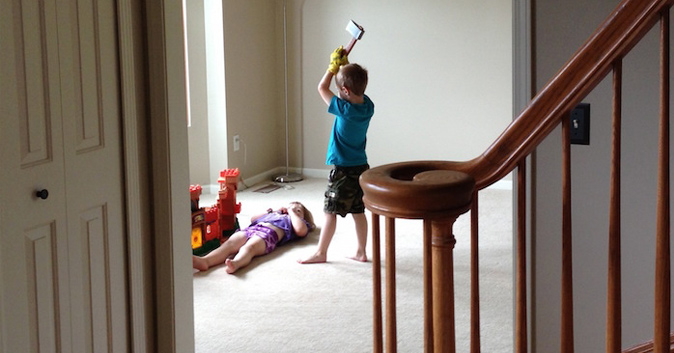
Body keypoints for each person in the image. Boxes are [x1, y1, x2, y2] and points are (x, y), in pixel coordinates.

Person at [299, 46, 374, 264]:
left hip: (343, 170)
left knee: (330, 211)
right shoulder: (368, 106)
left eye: (340, 89)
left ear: (345, 92)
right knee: (358, 211)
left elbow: (321, 87)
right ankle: (361, 251)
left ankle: (321, 252)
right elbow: (352, 87)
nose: (338, 92)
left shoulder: (344, 109)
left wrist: (332, 68)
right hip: (361, 168)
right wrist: (344, 67)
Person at [193, 202, 314, 274]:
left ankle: (236, 263)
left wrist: (293, 213)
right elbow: (253, 219)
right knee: (229, 244)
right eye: (289, 207)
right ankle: (206, 261)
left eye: (298, 210)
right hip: (250, 229)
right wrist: (273, 211)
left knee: (249, 248)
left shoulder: (294, 221)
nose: (291, 210)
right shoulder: (275, 214)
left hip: (269, 235)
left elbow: (301, 231)